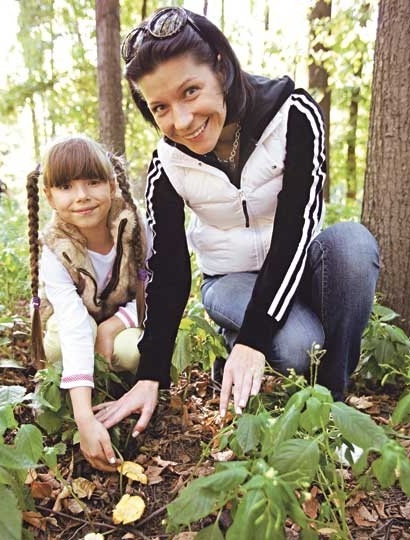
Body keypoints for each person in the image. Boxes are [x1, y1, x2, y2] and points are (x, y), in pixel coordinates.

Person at [95, 7, 379, 436]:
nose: (182, 121)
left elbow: (296, 229)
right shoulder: (166, 165)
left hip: (296, 262)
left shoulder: (295, 114)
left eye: (191, 91)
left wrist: (253, 338)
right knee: (299, 346)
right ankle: (241, 348)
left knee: (354, 245)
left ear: (221, 69)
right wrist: (149, 375)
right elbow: (169, 273)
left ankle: (332, 400)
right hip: (230, 279)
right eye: (160, 107)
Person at [26, 135, 149, 471]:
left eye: (93, 182)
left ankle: (123, 382)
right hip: (72, 322)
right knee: (59, 348)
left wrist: (114, 325)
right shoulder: (53, 248)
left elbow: (151, 291)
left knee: (133, 350)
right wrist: (84, 420)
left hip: (125, 316)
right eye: (66, 186)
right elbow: (74, 323)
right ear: (49, 196)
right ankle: (74, 388)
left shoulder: (136, 227)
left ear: (111, 186)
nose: (81, 197)